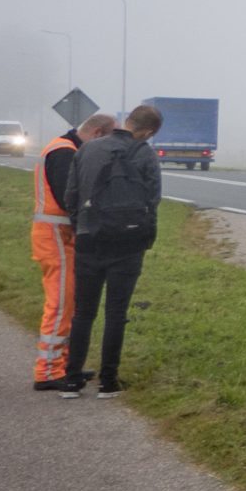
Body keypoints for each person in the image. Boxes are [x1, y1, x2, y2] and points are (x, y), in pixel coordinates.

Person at [59, 103, 164, 399]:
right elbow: (153, 200)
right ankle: (108, 381)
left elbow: (71, 196)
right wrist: (145, 238)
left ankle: (71, 380)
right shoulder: (145, 154)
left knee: (83, 312)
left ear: (127, 121)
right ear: (149, 131)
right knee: (116, 313)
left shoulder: (88, 149)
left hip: (90, 239)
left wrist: (83, 225)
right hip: (128, 244)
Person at [31, 112, 117, 390]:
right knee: (60, 304)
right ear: (98, 134)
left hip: (61, 236)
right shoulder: (63, 152)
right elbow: (70, 198)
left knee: (70, 303)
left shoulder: (67, 148)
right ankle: (48, 372)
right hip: (56, 236)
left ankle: (65, 366)